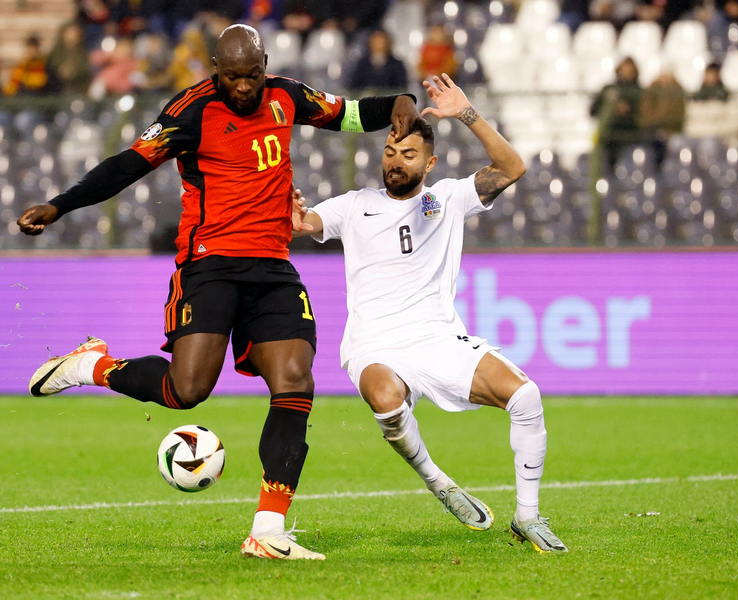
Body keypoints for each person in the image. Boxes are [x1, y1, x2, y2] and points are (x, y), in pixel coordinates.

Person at [17, 24, 420, 561]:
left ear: (264, 65)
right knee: (187, 390)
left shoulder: (285, 94)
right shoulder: (190, 112)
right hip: (210, 265)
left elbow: (346, 113)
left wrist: (399, 99)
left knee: (295, 379)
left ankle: (268, 528)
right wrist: (60, 205)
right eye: (233, 77)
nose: (245, 87)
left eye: (252, 74)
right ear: (216, 69)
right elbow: (126, 166)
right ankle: (95, 366)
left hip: (273, 265)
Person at [292, 74, 567, 553]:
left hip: (438, 340)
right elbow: (304, 224)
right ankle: (437, 480)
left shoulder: (448, 199)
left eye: (409, 155)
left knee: (526, 398)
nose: (396, 163)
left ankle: (528, 517)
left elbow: (512, 166)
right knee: (384, 396)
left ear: (431, 162)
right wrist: (290, 215)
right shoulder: (355, 205)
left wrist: (467, 113)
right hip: (374, 344)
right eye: (390, 153)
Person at [590, 57, 643, 169]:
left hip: (632, 136)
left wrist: (628, 110)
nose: (626, 73)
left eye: (630, 70)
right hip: (609, 136)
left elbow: (643, 115)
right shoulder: (609, 89)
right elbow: (593, 110)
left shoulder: (640, 92)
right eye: (624, 69)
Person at [685, 63, 738, 147]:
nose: (710, 77)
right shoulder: (696, 98)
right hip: (697, 138)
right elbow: (689, 123)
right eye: (708, 74)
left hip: (721, 139)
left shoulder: (728, 98)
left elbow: (736, 124)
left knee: (709, 144)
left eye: (712, 74)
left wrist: (712, 131)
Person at [639, 71, 685, 167]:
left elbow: (678, 117)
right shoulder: (650, 94)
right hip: (652, 132)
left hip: (672, 132)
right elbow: (646, 117)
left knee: (677, 144)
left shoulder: (677, 93)